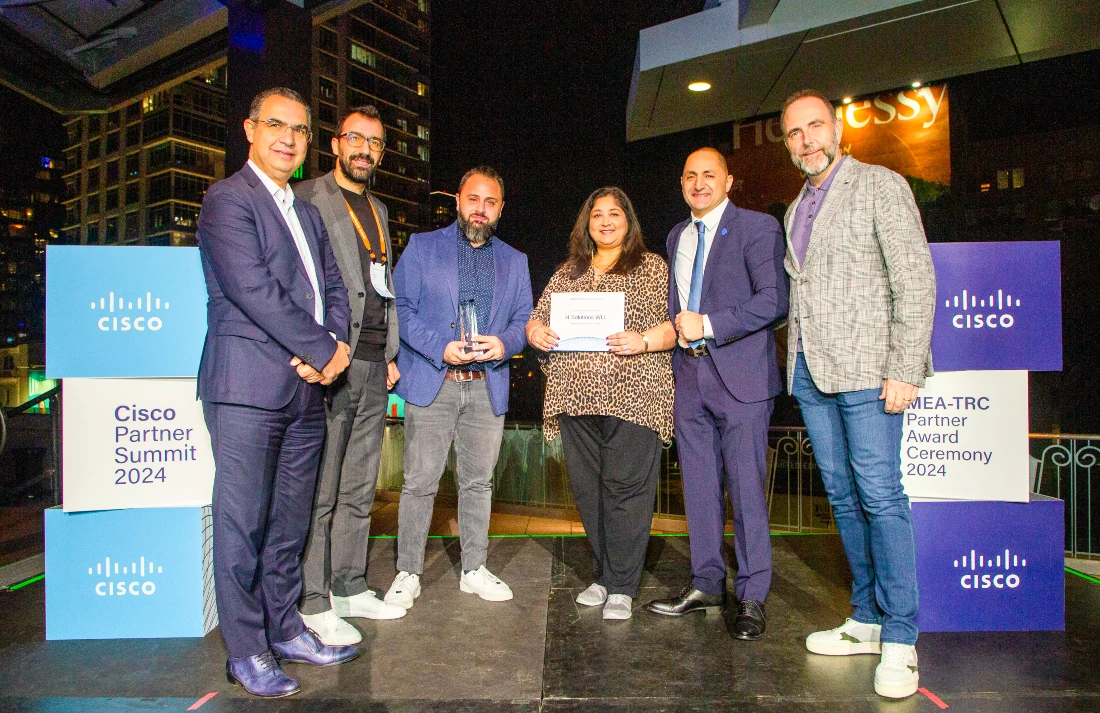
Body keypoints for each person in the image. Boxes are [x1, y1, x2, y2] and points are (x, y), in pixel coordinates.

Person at [196, 87, 357, 698]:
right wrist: (324, 351)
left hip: (305, 392)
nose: (288, 138)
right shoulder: (226, 201)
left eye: (299, 130)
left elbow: (335, 289)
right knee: (243, 524)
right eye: (276, 126)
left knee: (290, 524)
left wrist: (334, 349)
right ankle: (246, 650)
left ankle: (285, 627)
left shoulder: (309, 211)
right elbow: (254, 290)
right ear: (250, 129)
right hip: (246, 389)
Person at [779, 89, 935, 699]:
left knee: (880, 496)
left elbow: (915, 278)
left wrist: (905, 368)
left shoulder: (880, 185)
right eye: (794, 133)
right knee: (844, 499)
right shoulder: (797, 209)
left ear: (837, 128)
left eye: (815, 127)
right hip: (813, 376)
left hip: (873, 372)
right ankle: (867, 618)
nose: (806, 140)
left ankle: (901, 638)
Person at [645, 148, 788, 643]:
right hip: (689, 378)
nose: (699, 183)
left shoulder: (757, 227)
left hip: (742, 380)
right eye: (690, 176)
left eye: (710, 175)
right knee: (700, 489)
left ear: (729, 180)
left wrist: (708, 325)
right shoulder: (676, 236)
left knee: (746, 490)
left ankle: (751, 595)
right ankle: (707, 583)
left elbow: (773, 301)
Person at [383, 166, 533, 608]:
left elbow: (524, 321)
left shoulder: (516, 260)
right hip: (435, 381)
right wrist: (440, 348)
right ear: (458, 201)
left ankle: (473, 569)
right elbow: (402, 309)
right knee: (419, 483)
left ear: (500, 208)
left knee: (478, 484)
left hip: (487, 386)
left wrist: (503, 343)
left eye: (490, 202)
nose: (480, 210)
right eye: (473, 199)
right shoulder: (423, 247)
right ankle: (407, 572)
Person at [526, 187, 677, 620]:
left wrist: (643, 339)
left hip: (635, 394)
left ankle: (624, 586)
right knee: (590, 491)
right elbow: (538, 320)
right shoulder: (567, 273)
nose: (606, 222)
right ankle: (605, 576)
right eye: (597, 215)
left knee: (626, 490)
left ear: (629, 221)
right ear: (586, 224)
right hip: (575, 397)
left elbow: (674, 328)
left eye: (614, 214)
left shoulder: (651, 268)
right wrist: (535, 331)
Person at [294, 104, 407, 646]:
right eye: (356, 139)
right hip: (329, 362)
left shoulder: (380, 209)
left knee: (361, 485)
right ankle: (312, 599)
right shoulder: (307, 198)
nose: (365, 149)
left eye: (375, 143)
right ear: (336, 144)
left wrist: (388, 352)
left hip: (370, 363)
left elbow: (380, 288)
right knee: (322, 487)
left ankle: (349, 583)